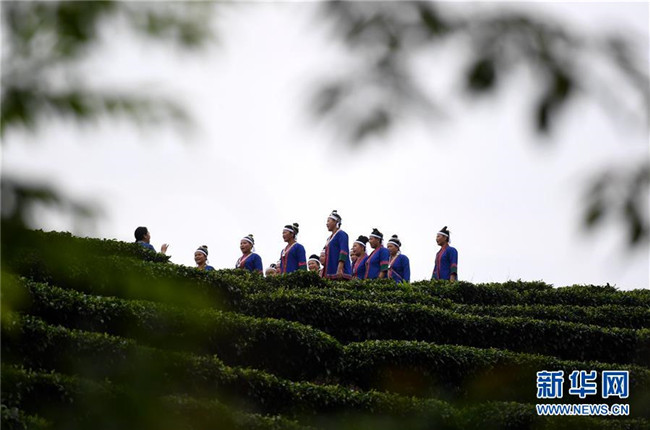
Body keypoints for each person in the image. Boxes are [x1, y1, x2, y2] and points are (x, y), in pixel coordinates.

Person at [323, 210, 352, 280]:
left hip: (340, 271)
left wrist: (340, 268)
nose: (326, 224)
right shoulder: (329, 238)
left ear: (335, 222)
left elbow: (343, 251)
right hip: (330, 270)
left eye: (328, 221)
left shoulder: (341, 234)